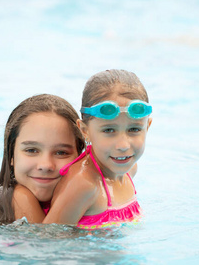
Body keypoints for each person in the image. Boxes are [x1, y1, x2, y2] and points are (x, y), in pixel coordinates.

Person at [43, 69, 152, 229]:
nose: (123, 145)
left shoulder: (129, 171)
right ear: (85, 131)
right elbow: (45, 242)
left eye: (134, 129)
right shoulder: (85, 185)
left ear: (147, 127)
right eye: (108, 130)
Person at [0, 94, 85, 224]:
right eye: (31, 150)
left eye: (61, 152)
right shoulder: (19, 197)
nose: (46, 165)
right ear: (11, 155)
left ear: (80, 157)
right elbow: (46, 242)